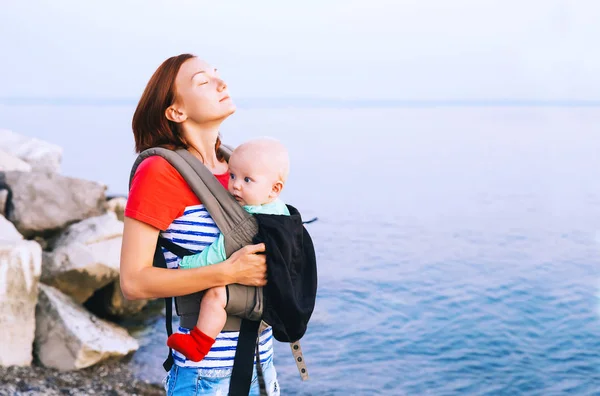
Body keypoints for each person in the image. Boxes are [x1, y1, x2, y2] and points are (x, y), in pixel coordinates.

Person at [120, 54, 280, 395]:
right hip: (207, 378)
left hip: (263, 365)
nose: (221, 83)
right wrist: (229, 273)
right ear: (176, 112)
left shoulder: (240, 172)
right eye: (203, 82)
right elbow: (133, 282)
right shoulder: (161, 172)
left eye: (217, 75)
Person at [166, 138, 290, 362]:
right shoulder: (281, 211)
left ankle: (199, 343)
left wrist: (185, 266)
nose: (235, 185)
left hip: (256, 293)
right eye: (232, 176)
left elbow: (219, 251)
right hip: (271, 294)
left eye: (247, 180)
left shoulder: (249, 217)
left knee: (215, 295)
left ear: (274, 189)